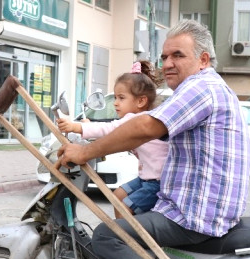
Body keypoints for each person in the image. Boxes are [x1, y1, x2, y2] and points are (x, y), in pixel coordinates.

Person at [57, 20, 250, 259]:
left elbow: (146, 127)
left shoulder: (201, 88)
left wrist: (86, 151)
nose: (169, 64)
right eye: (164, 57)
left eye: (178, 55)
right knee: (125, 214)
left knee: (108, 236)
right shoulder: (203, 88)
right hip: (193, 206)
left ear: (203, 60)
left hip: (193, 215)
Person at [57, 60, 168, 218]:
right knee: (117, 196)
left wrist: (76, 127)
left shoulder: (137, 119)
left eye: (121, 98)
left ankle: (127, 237)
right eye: (115, 97)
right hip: (146, 178)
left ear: (141, 101)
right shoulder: (142, 117)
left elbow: (111, 128)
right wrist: (90, 126)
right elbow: (112, 132)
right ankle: (122, 232)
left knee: (124, 206)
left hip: (157, 182)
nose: (115, 103)